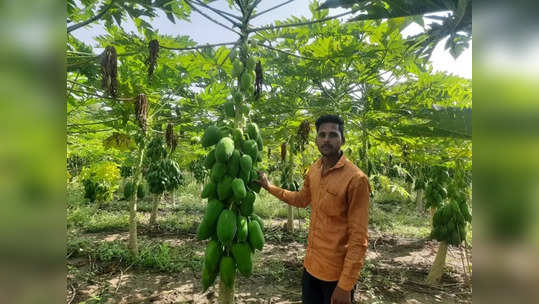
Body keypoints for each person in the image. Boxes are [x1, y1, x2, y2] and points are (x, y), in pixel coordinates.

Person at [255, 114, 370, 304]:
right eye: (322, 135)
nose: (326, 139)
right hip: (311, 267)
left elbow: (359, 238)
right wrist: (270, 187)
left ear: (343, 139)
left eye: (332, 135)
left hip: (336, 276)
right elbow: (301, 199)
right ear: (316, 139)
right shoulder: (314, 170)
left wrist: (345, 286)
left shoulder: (356, 179)